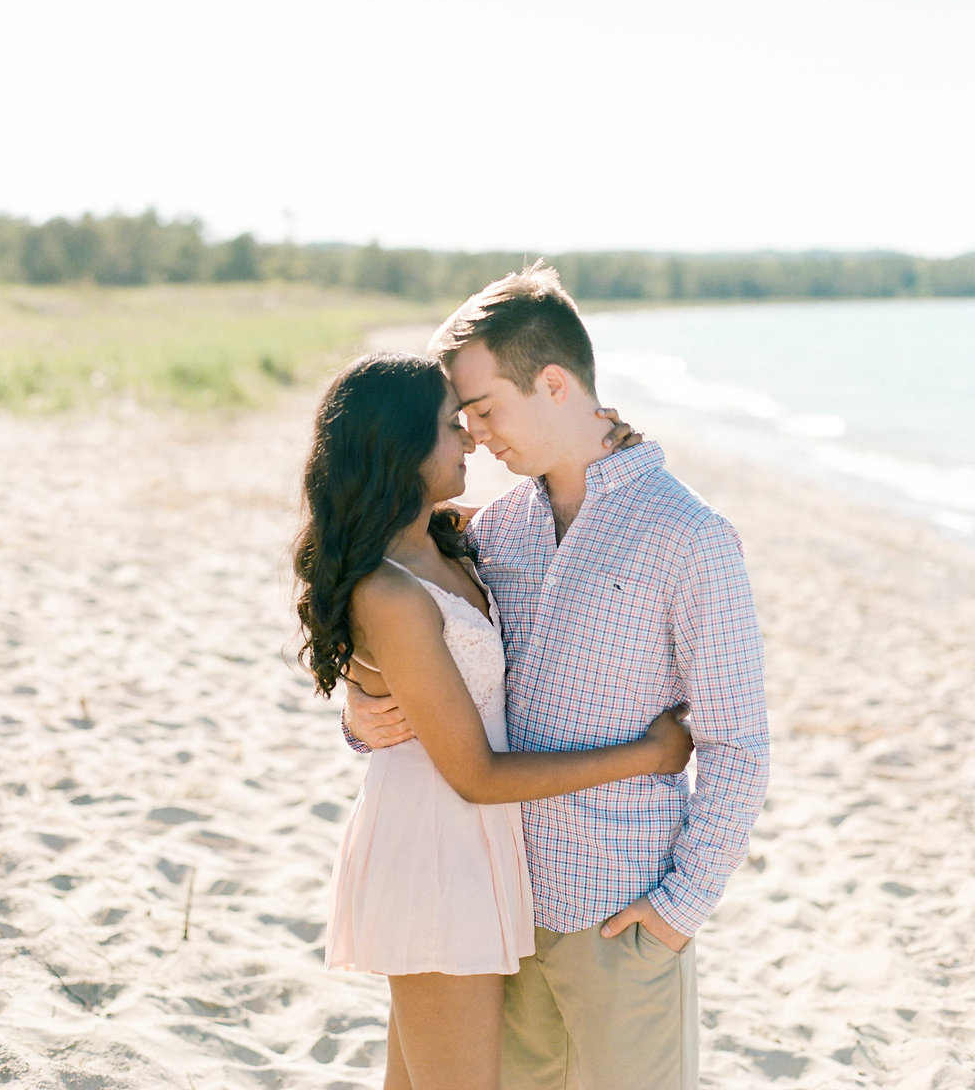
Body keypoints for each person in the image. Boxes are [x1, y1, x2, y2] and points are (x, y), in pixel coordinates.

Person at [346, 264, 769, 1090]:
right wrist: (359, 711)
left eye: (484, 409)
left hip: (621, 916)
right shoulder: (494, 529)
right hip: (496, 909)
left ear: (553, 383)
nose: (474, 436)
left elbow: (737, 742)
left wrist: (679, 911)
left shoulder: (691, 536)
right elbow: (427, 659)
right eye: (462, 418)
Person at [294, 352, 693, 1090]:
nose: (472, 439)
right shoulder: (390, 590)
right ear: (402, 449)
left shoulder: (447, 539)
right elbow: (475, 773)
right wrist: (648, 754)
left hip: (469, 849)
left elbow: (575, 525)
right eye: (453, 427)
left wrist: (614, 446)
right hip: (434, 851)